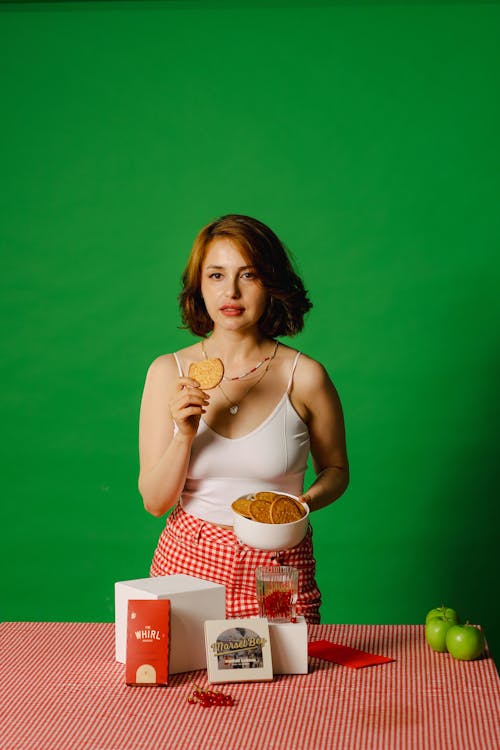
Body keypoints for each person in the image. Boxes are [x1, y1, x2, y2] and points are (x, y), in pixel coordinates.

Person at [138, 214, 349, 623]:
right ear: (199, 286)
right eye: (216, 275)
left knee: (282, 683)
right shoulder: (169, 373)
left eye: (248, 275)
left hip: (279, 564)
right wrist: (184, 434)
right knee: (187, 683)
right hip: (188, 564)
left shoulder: (304, 376)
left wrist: (301, 505)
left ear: (271, 283)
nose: (230, 291)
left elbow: (337, 470)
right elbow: (155, 501)